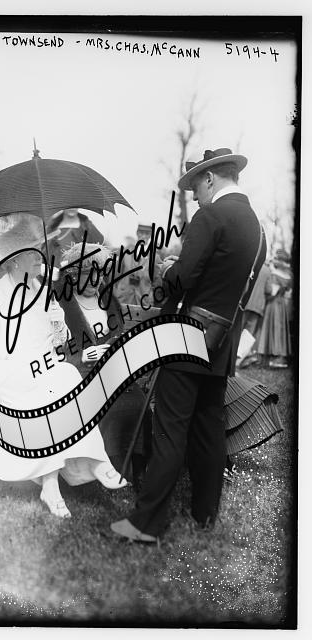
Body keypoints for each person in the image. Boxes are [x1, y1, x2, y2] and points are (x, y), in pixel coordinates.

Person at [111, 147, 266, 543]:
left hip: (186, 337)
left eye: (196, 187)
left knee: (170, 430)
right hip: (220, 344)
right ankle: (204, 515)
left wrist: (167, 270)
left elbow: (184, 279)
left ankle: (147, 524)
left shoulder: (210, 216)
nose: (195, 196)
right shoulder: (258, 228)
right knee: (209, 428)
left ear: (210, 178)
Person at [0, 214, 127, 519]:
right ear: (14, 261)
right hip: (8, 374)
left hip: (42, 370)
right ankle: (85, 466)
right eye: (33, 255)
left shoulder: (43, 292)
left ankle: (54, 482)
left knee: (67, 377)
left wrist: (58, 323)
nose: (40, 261)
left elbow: (61, 343)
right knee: (53, 391)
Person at [57, 242, 153, 489]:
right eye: (89, 274)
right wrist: (82, 356)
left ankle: (135, 470)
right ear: (74, 275)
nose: (96, 280)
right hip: (78, 375)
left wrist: (117, 346)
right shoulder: (61, 304)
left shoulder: (108, 301)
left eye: (100, 274)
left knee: (138, 404)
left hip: (113, 371)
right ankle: (106, 470)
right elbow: (52, 348)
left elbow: (119, 336)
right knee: (111, 408)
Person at [257, 249, 292, 368]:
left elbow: (271, 292)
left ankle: (267, 357)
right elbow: (288, 290)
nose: (274, 260)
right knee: (279, 328)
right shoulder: (288, 276)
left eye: (276, 259)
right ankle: (278, 357)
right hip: (282, 304)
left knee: (270, 327)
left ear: (280, 261)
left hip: (272, 304)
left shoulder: (274, 274)